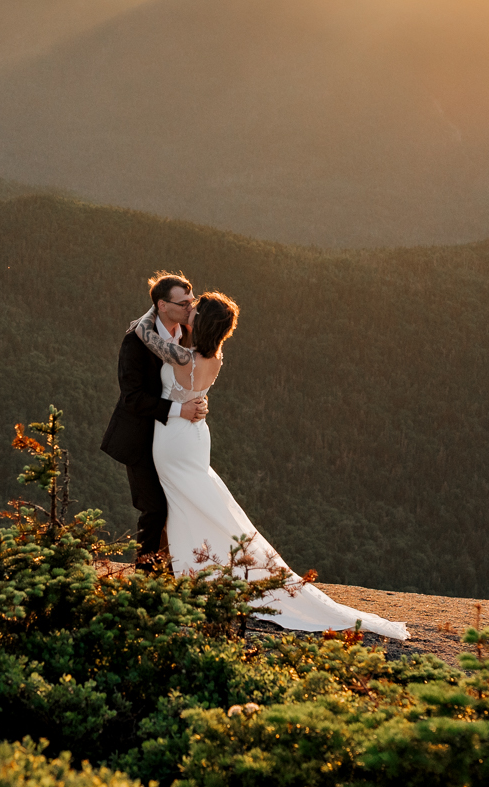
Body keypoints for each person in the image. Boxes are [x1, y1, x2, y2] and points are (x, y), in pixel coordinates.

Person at [148, 290, 409, 640]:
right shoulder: (214, 357)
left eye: (196, 309)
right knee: (193, 504)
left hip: (175, 438)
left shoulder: (184, 358)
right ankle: (200, 572)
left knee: (185, 506)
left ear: (203, 322)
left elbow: (148, 337)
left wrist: (149, 318)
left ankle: (193, 574)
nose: (190, 310)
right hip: (194, 435)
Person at [100, 272, 206, 571]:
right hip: (140, 438)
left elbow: (191, 378)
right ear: (162, 305)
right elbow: (131, 397)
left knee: (177, 504)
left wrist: (198, 401)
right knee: (155, 508)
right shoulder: (135, 341)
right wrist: (179, 409)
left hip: (174, 438)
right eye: (183, 302)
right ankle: (147, 576)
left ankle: (172, 571)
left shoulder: (186, 335)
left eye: (191, 301)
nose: (190, 307)